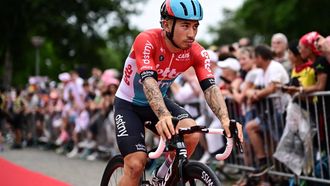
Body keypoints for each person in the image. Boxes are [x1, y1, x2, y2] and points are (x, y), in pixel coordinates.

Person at [113, 0, 243, 185]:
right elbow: (149, 82)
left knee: (192, 132)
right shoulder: (147, 40)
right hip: (128, 105)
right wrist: (164, 115)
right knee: (135, 165)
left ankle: (163, 176)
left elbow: (211, 88)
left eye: (195, 26)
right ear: (166, 24)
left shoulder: (197, 52)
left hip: (159, 102)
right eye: (185, 25)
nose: (192, 33)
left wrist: (225, 120)